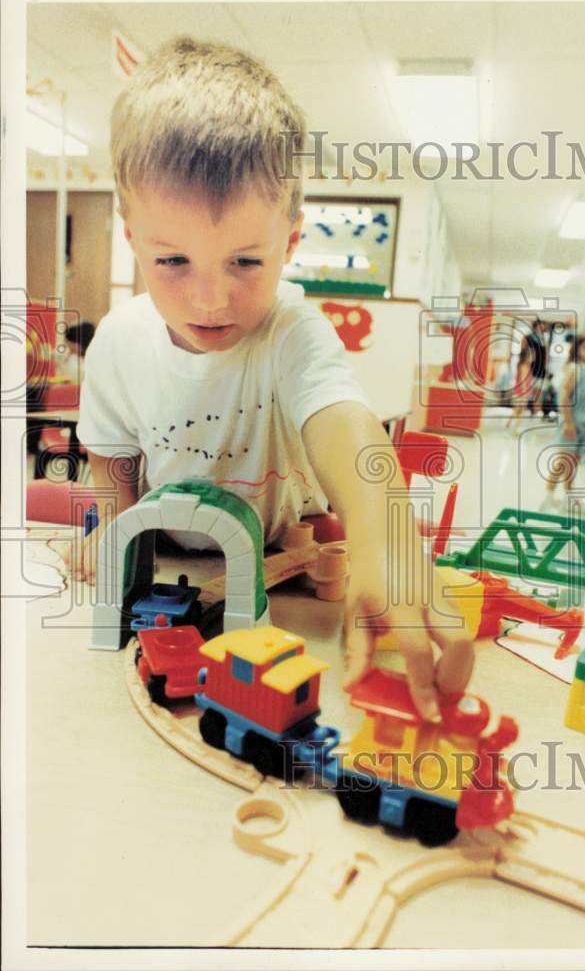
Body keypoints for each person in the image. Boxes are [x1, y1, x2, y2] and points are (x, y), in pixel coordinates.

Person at [67, 36, 473, 721]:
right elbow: (112, 459)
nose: (210, 300)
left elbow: (342, 418)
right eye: (173, 261)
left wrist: (388, 534)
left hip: (274, 562)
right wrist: (108, 526)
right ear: (130, 235)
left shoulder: (292, 330)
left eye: (245, 263)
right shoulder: (117, 340)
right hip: (170, 562)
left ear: (289, 242)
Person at [540, 329, 585, 511]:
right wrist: (568, 423)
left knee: (573, 462)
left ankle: (569, 495)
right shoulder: (574, 369)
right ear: (577, 348)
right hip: (572, 424)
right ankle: (548, 496)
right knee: (562, 462)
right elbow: (564, 397)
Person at [506, 323, 546, 432]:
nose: (533, 358)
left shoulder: (527, 367)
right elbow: (523, 382)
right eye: (532, 356)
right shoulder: (524, 367)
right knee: (520, 409)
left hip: (522, 391)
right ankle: (516, 427)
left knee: (518, 409)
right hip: (521, 392)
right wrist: (525, 393)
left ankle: (510, 424)